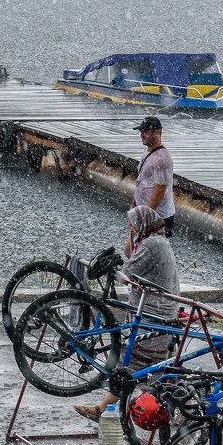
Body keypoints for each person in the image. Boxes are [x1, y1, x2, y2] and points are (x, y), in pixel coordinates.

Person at [74, 205, 181, 422]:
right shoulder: (156, 240)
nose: (131, 229)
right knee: (149, 367)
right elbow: (129, 257)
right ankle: (182, 407)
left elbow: (128, 273)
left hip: (154, 313)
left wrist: (109, 267)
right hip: (159, 311)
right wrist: (132, 235)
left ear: (143, 224)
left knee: (135, 365)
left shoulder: (151, 245)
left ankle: (177, 407)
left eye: (133, 225)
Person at [132, 115, 175, 238]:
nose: (142, 135)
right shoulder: (147, 152)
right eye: (141, 132)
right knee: (130, 250)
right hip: (144, 213)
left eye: (146, 131)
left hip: (158, 217)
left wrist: (146, 220)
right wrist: (134, 204)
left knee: (148, 253)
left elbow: (159, 193)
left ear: (157, 132)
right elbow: (141, 179)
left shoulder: (162, 159)